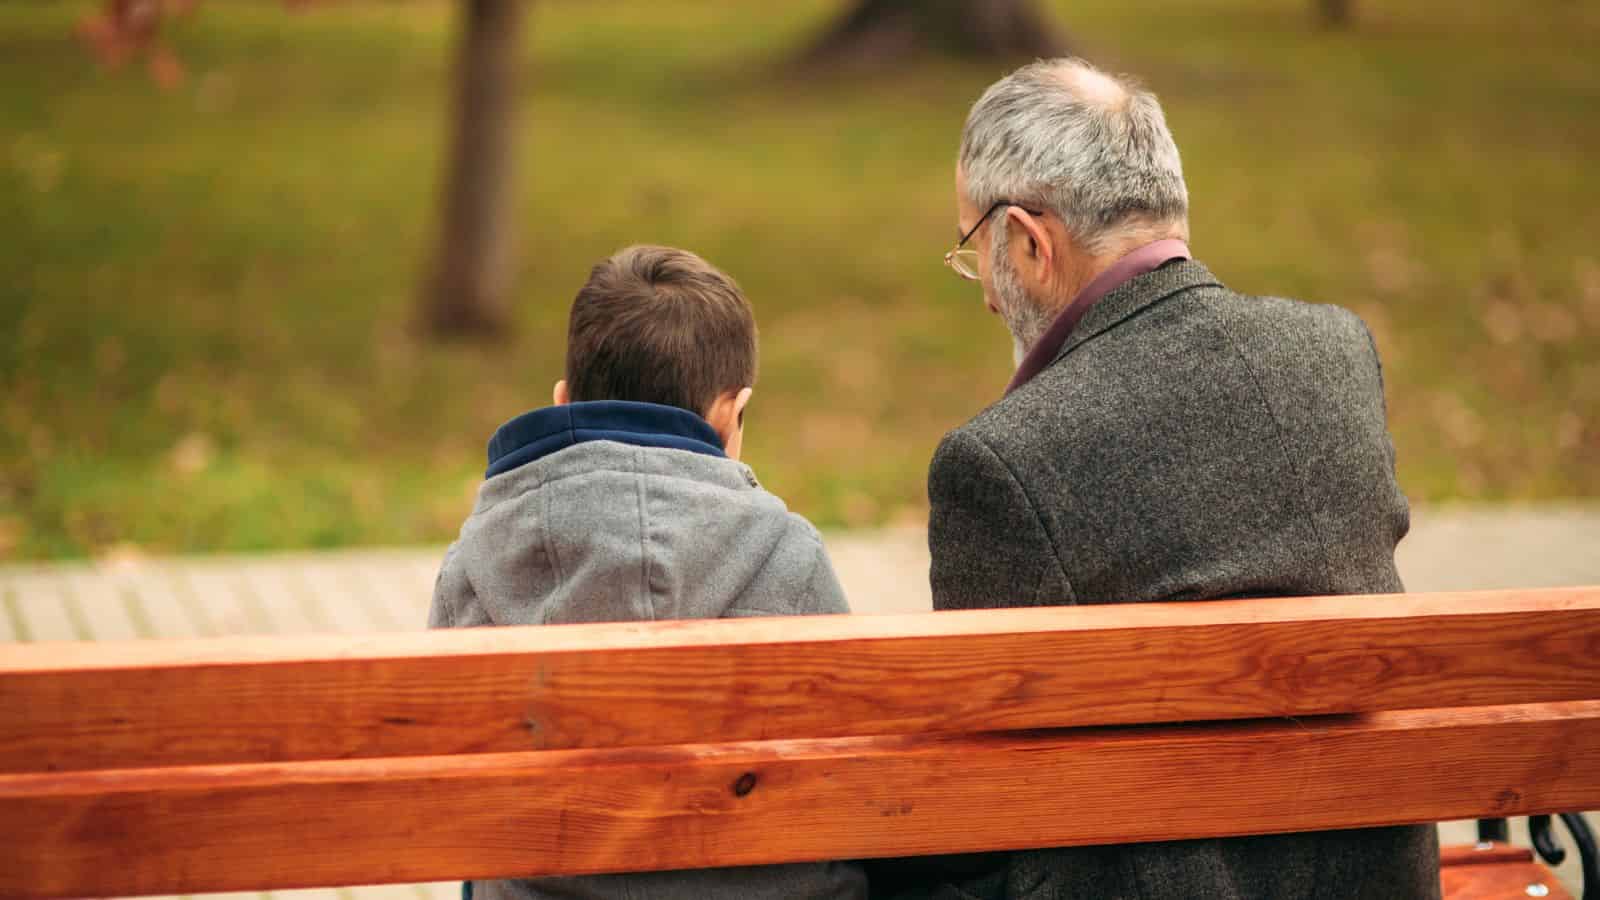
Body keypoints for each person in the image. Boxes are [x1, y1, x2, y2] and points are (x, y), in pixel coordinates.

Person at [908, 58, 1438, 899]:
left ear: (1028, 242)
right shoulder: (1338, 355)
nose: (985, 296)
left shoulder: (1001, 462)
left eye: (974, 250)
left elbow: (985, 806)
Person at [430, 244, 868, 900]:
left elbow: (456, 795)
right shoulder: (790, 557)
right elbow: (849, 785)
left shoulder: (476, 561)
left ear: (562, 399)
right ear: (732, 412)